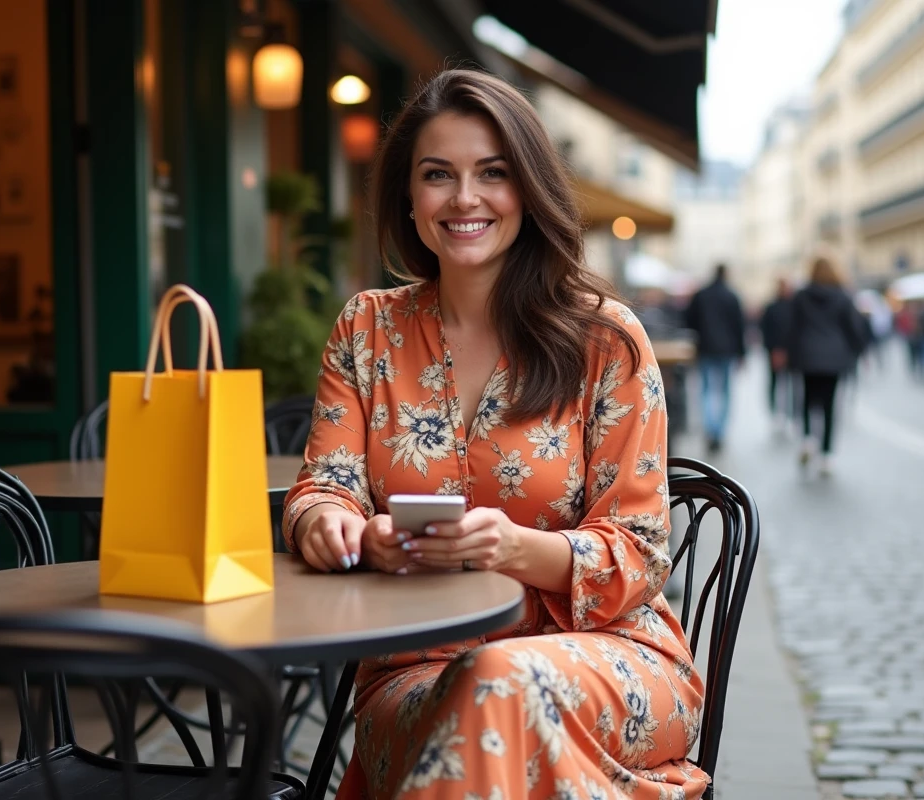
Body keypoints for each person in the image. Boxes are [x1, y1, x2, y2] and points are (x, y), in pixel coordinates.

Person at [283, 70, 708, 800]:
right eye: (437, 175)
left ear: (529, 189)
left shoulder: (607, 339)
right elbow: (323, 489)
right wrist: (342, 532)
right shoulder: (367, 328)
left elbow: (639, 557)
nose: (464, 198)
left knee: (495, 688)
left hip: (610, 660)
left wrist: (512, 548)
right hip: (417, 670)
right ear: (410, 200)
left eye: (493, 173)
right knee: (487, 694)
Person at [784, 256, 866, 476]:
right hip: (834, 357)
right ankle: (827, 455)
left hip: (807, 355)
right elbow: (853, 328)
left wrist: (790, 356)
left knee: (809, 399)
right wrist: (859, 351)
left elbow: (793, 328)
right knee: (830, 406)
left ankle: (809, 439)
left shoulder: (801, 295)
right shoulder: (842, 296)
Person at [684, 263, 746, 453]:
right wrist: (742, 353)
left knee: (706, 391)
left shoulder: (701, 295)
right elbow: (739, 326)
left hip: (705, 348)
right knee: (725, 391)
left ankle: (710, 429)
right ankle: (719, 431)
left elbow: (689, 320)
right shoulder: (732, 295)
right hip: (727, 350)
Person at [759, 277, 794, 431]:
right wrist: (774, 349)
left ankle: (787, 413)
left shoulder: (794, 306)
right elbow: (765, 330)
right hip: (775, 351)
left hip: (789, 351)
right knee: (774, 383)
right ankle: (775, 413)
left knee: (789, 384)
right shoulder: (772, 307)